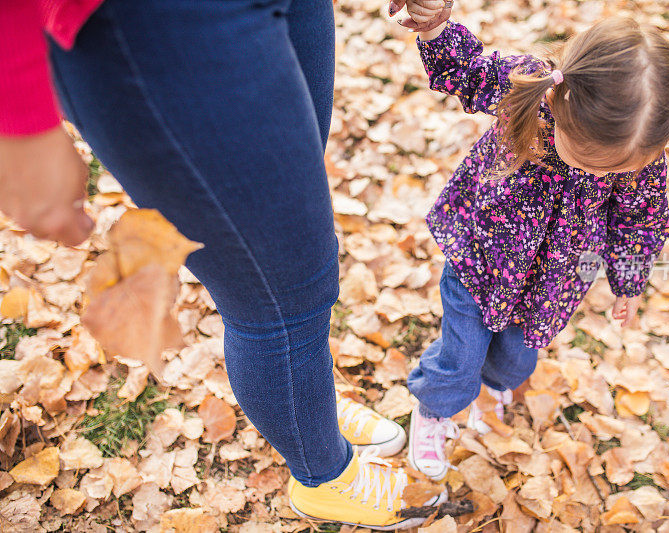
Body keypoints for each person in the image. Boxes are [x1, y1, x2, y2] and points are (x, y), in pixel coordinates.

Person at [0, 0, 449, 528]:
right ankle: (323, 475)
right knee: (281, 289)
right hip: (156, 23)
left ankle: (311, 409)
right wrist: (19, 117)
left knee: (293, 236)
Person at [399, 12, 669, 479]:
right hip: (482, 257)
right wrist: (433, 26)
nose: (599, 177)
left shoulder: (637, 154)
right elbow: (466, 70)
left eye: (611, 173)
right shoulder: (530, 88)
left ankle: (496, 392)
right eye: (589, 161)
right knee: (461, 355)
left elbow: (639, 218)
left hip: (553, 279)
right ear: (559, 100)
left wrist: (628, 282)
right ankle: (433, 410)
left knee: (516, 357)